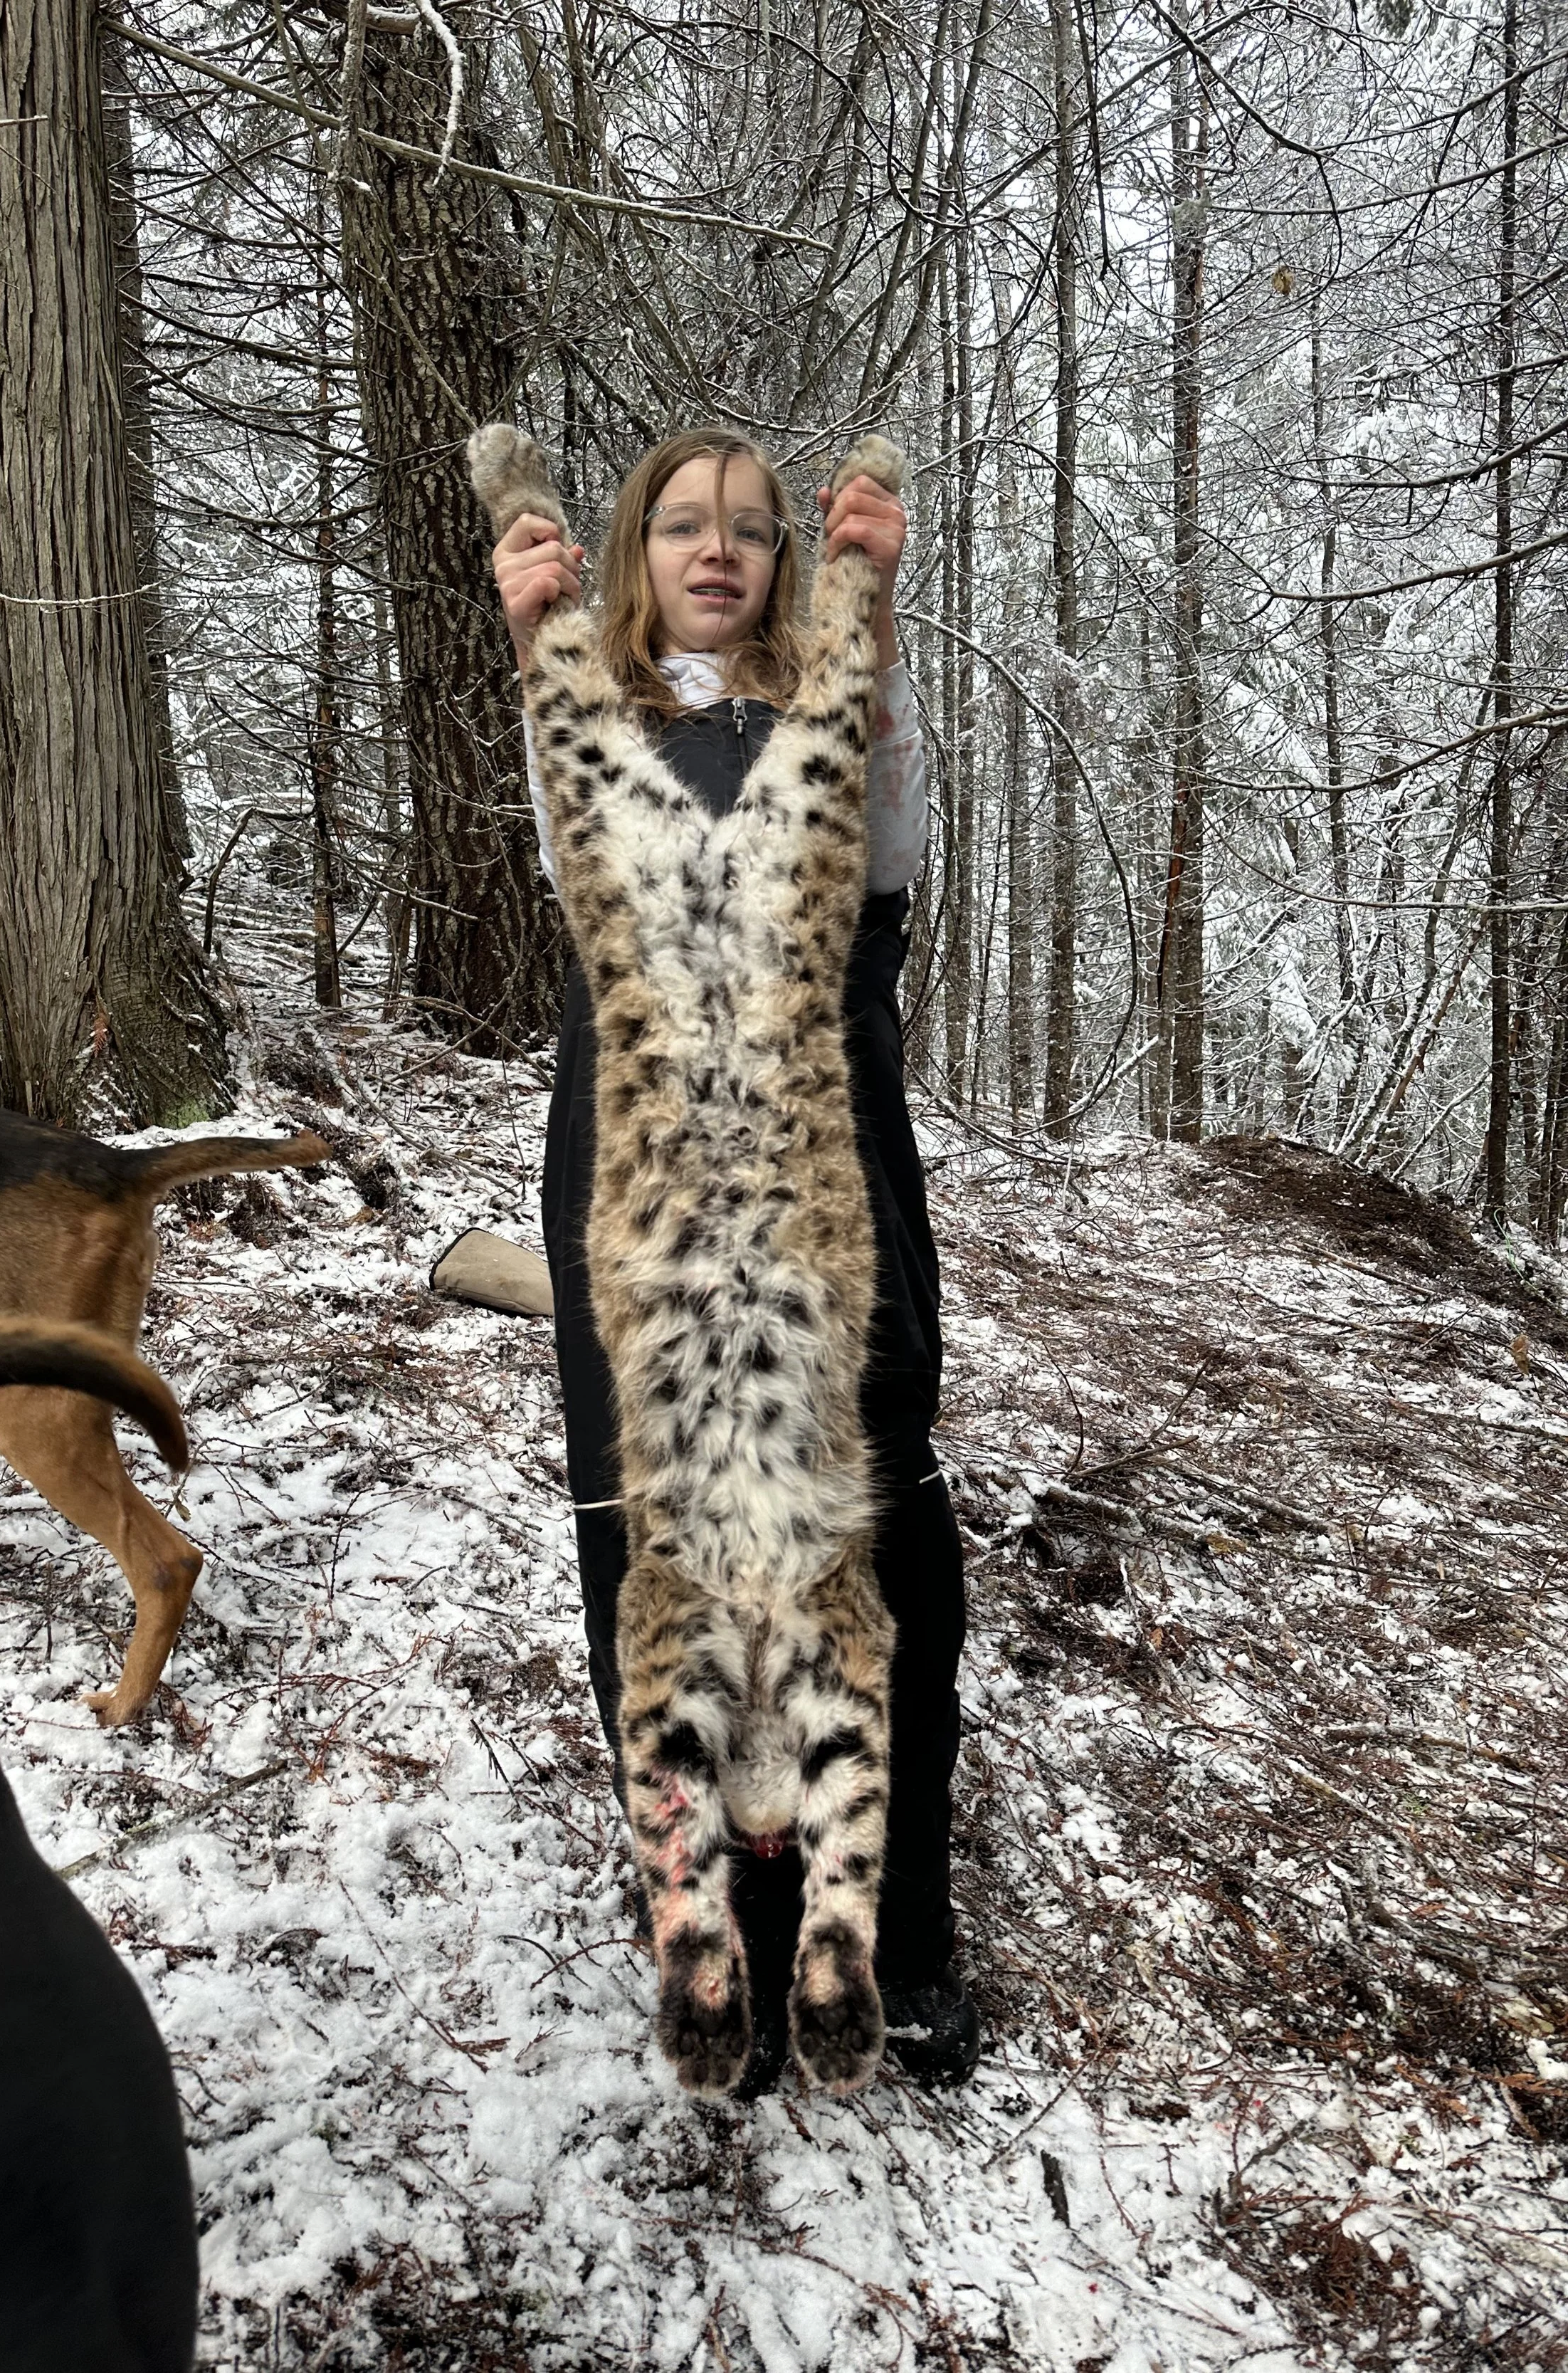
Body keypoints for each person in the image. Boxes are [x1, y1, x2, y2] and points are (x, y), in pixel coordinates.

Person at [491, 427, 974, 2092]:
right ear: (639, 548)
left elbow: (889, 858)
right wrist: (525, 622)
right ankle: (707, 1930)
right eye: (682, 526)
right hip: (634, 1146)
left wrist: (874, 612)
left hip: (820, 1135)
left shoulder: (827, 698)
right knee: (644, 1523)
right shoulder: (608, 711)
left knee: (881, 1495)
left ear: (781, 556)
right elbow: (564, 846)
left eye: (748, 531)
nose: (715, 550)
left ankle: (894, 1922)